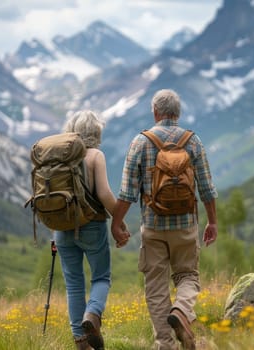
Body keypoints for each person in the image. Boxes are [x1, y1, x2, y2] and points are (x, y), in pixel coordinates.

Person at [111, 89, 218, 350]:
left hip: (153, 227)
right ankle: (181, 311)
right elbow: (206, 188)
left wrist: (117, 223)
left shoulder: (140, 142)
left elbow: (126, 193)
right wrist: (212, 221)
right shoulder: (193, 142)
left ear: (155, 112)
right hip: (185, 226)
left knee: (156, 285)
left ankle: (164, 344)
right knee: (188, 276)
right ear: (177, 113)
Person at [55, 110, 130, 350]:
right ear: (95, 132)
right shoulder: (95, 155)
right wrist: (119, 219)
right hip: (91, 226)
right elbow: (104, 194)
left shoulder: (58, 156)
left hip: (62, 228)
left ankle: (81, 342)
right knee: (101, 277)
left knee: (74, 284)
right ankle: (92, 315)